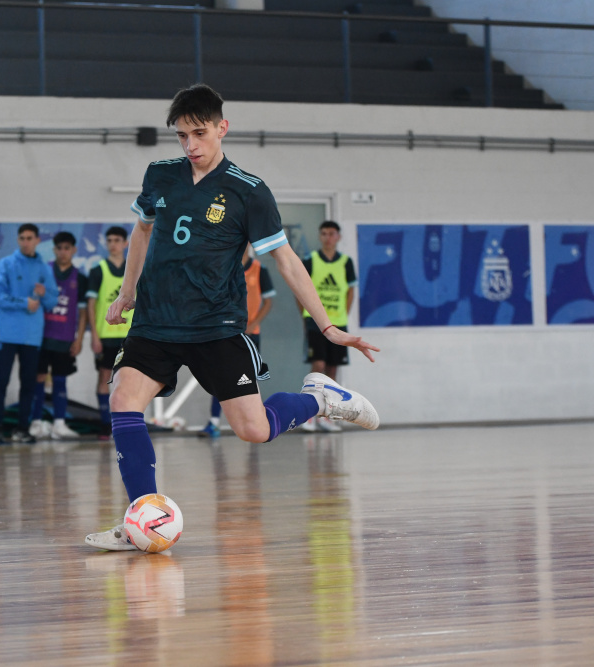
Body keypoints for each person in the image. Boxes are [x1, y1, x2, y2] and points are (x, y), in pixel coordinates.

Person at [84, 84, 380, 551]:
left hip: (215, 326)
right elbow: (142, 232)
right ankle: (143, 519)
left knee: (253, 429)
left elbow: (285, 260)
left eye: (199, 133)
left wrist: (327, 326)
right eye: (181, 136)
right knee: (123, 400)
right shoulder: (160, 176)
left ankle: (321, 398)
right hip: (156, 322)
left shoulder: (248, 192)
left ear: (222, 127)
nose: (190, 146)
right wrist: (127, 291)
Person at [0, 224, 58, 444]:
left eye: (29, 238)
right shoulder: (6, 264)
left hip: (31, 336)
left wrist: (44, 294)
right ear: (18, 240)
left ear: (37, 240)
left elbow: (52, 301)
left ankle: (22, 428)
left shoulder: (43, 268)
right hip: (6, 335)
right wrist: (23, 302)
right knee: (1, 382)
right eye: (22, 238)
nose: (25, 242)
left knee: (28, 383)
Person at [198, 247, 275, 439]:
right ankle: (214, 422)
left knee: (249, 379)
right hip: (226, 332)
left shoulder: (259, 269)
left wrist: (254, 323)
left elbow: (268, 302)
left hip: (250, 333)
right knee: (220, 376)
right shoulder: (223, 267)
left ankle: (256, 421)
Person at [298, 220, 357, 433]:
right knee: (318, 365)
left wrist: (343, 315)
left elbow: (351, 291)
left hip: (338, 323)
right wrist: (305, 316)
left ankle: (328, 415)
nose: (328, 237)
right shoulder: (311, 260)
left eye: (331, 233)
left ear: (338, 237)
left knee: (332, 368)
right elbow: (300, 289)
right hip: (315, 322)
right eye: (323, 233)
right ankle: (308, 414)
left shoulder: (346, 262)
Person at [28, 231, 88, 440]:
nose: (63, 252)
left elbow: (83, 313)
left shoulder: (80, 278)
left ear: (73, 250)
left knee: (60, 379)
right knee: (39, 378)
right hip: (42, 335)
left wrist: (79, 338)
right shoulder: (45, 272)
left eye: (67, 248)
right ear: (54, 250)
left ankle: (59, 424)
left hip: (64, 337)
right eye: (59, 248)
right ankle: (35, 422)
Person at [86, 226, 131, 438]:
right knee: (105, 377)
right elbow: (91, 305)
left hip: (130, 336)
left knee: (130, 380)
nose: (113, 244)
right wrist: (94, 335)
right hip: (106, 335)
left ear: (126, 243)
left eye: (117, 240)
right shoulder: (98, 270)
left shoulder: (134, 271)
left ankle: (126, 424)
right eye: (109, 240)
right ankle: (106, 424)